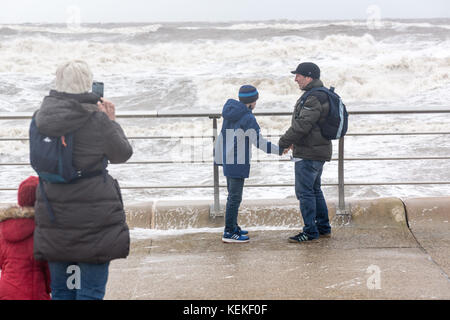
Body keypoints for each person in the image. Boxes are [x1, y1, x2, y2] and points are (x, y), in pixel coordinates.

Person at [32, 60, 133, 300]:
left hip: (54, 214)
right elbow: (122, 153)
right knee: (90, 291)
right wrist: (111, 121)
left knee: (62, 290)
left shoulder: (40, 119)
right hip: (93, 219)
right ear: (87, 84)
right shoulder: (97, 120)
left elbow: (37, 160)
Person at [215, 85, 284, 243]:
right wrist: (279, 150)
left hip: (227, 158)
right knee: (234, 198)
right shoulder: (248, 118)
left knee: (232, 196)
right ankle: (229, 232)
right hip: (238, 161)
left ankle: (233, 226)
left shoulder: (230, 111)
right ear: (252, 101)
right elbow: (259, 142)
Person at [278, 62, 332, 243]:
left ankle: (310, 231)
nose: (296, 79)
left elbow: (302, 125)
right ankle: (323, 228)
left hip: (309, 153)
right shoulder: (319, 94)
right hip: (316, 150)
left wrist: (283, 142)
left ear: (309, 77)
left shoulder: (313, 97)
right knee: (315, 190)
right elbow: (308, 125)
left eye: (298, 76)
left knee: (305, 193)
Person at [0, 176, 51, 300]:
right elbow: (49, 271)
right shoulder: (43, 230)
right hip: (34, 292)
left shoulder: (4, 227)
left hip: (5, 290)